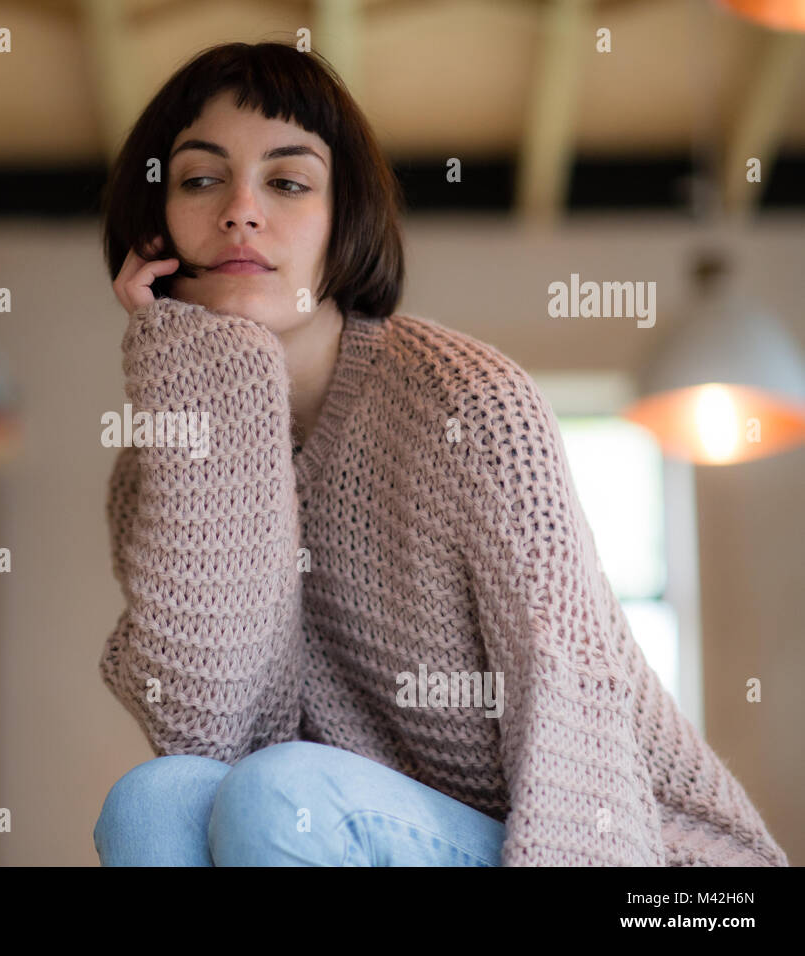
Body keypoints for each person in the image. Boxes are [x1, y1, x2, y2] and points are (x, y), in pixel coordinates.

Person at [92, 41, 788, 867]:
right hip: (326, 825)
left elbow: (570, 694)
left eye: (288, 182)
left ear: (342, 220)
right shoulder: (160, 464)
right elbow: (211, 737)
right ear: (155, 226)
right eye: (201, 180)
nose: (241, 209)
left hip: (646, 861)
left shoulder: (468, 403)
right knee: (153, 802)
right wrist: (200, 388)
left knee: (283, 794)